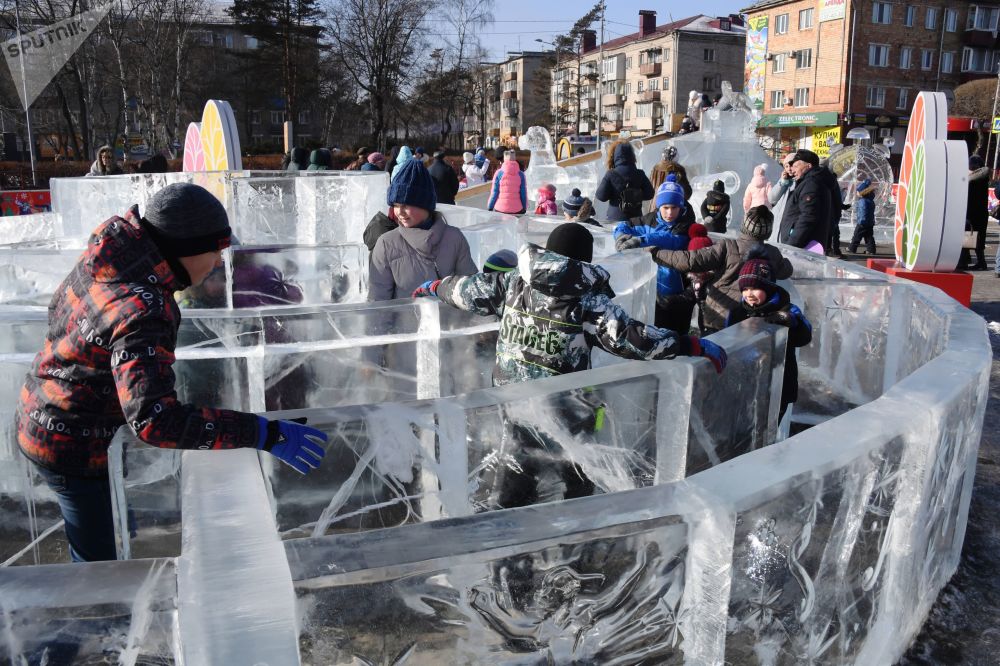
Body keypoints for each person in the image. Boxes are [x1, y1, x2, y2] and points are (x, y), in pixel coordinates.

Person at [14, 183, 328, 563]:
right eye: (215, 251)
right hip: (70, 443)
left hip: (42, 408)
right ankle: (102, 620)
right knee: (99, 568)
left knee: (113, 526)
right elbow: (154, 420)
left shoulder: (113, 254)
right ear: (186, 248)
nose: (218, 262)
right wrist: (261, 431)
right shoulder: (144, 307)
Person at [649, 205, 793, 333]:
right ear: (767, 232)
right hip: (749, 319)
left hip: (717, 316)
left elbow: (691, 260)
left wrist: (656, 253)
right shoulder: (772, 254)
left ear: (744, 226)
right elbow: (786, 271)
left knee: (713, 356)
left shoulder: (728, 246)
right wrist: (784, 262)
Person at [368, 159, 476, 300]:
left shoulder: (454, 238)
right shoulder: (386, 244)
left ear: (425, 204)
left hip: (449, 321)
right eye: (395, 205)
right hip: (404, 322)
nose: (399, 212)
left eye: (406, 205)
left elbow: (469, 291)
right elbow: (378, 303)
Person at [725, 256, 812, 419]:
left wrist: (792, 322)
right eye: (744, 289)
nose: (748, 294)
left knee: (768, 427)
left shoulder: (787, 308)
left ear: (769, 287)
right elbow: (728, 342)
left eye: (754, 288)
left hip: (778, 383)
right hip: (746, 382)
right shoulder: (737, 312)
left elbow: (804, 337)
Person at [613, 175, 694, 333]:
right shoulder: (650, 220)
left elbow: (672, 240)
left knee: (676, 333)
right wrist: (621, 236)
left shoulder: (686, 224)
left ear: (681, 207)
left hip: (676, 293)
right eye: (666, 207)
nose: (670, 212)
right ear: (659, 206)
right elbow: (624, 225)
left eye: (674, 208)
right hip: (651, 291)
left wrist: (641, 240)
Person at [777, 149, 830, 250]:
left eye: (796, 166)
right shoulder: (809, 182)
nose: (792, 170)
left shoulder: (811, 184)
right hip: (805, 243)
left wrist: (791, 245)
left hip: (803, 246)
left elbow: (808, 216)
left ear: (808, 166)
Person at [595, 140, 654, 222]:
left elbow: (601, 196)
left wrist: (614, 194)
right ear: (632, 155)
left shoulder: (611, 174)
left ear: (615, 156)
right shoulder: (639, 173)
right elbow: (650, 194)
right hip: (636, 218)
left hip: (615, 217)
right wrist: (635, 196)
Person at [960, 154, 991, 271]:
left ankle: (963, 262)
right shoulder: (981, 178)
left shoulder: (972, 180)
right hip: (980, 213)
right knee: (978, 239)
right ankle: (981, 262)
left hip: (972, 213)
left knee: (967, 237)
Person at [817, 158, 848, 257]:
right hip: (831, 210)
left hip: (821, 209)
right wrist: (841, 206)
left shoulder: (813, 176)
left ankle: (828, 250)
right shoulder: (830, 179)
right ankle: (832, 251)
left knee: (826, 231)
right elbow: (836, 197)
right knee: (832, 231)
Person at [487, 150, 527, 215]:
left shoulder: (498, 173)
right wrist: (524, 207)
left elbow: (494, 192)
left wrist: (490, 207)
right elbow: (523, 193)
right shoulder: (521, 174)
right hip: (517, 209)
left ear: (504, 159)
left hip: (501, 208)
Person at [847, 178, 877, 255]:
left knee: (857, 235)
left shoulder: (863, 201)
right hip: (869, 221)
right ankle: (871, 250)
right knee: (869, 236)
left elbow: (863, 212)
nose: (857, 193)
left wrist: (861, 221)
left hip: (862, 222)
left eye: (858, 191)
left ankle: (852, 248)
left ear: (862, 192)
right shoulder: (870, 200)